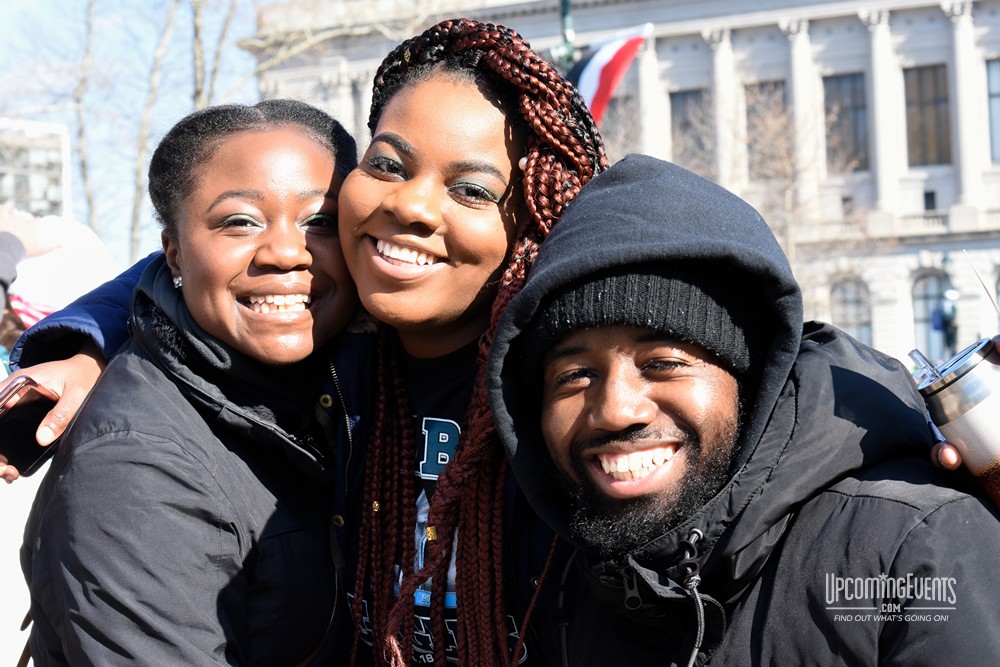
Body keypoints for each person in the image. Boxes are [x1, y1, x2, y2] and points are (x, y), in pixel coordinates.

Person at [5, 18, 607, 665]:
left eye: (471, 188)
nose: (413, 206)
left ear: (535, 218)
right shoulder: (317, 368)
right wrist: (88, 340)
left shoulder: (574, 379)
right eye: (388, 164)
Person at [488, 154, 1000, 665]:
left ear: (752, 384)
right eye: (574, 375)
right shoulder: (563, 581)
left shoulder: (916, 548)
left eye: (663, 362)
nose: (615, 410)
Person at [20, 99, 370, 665]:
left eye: (320, 221)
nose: (286, 252)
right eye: (239, 221)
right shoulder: (135, 467)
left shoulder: (347, 385)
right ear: (174, 253)